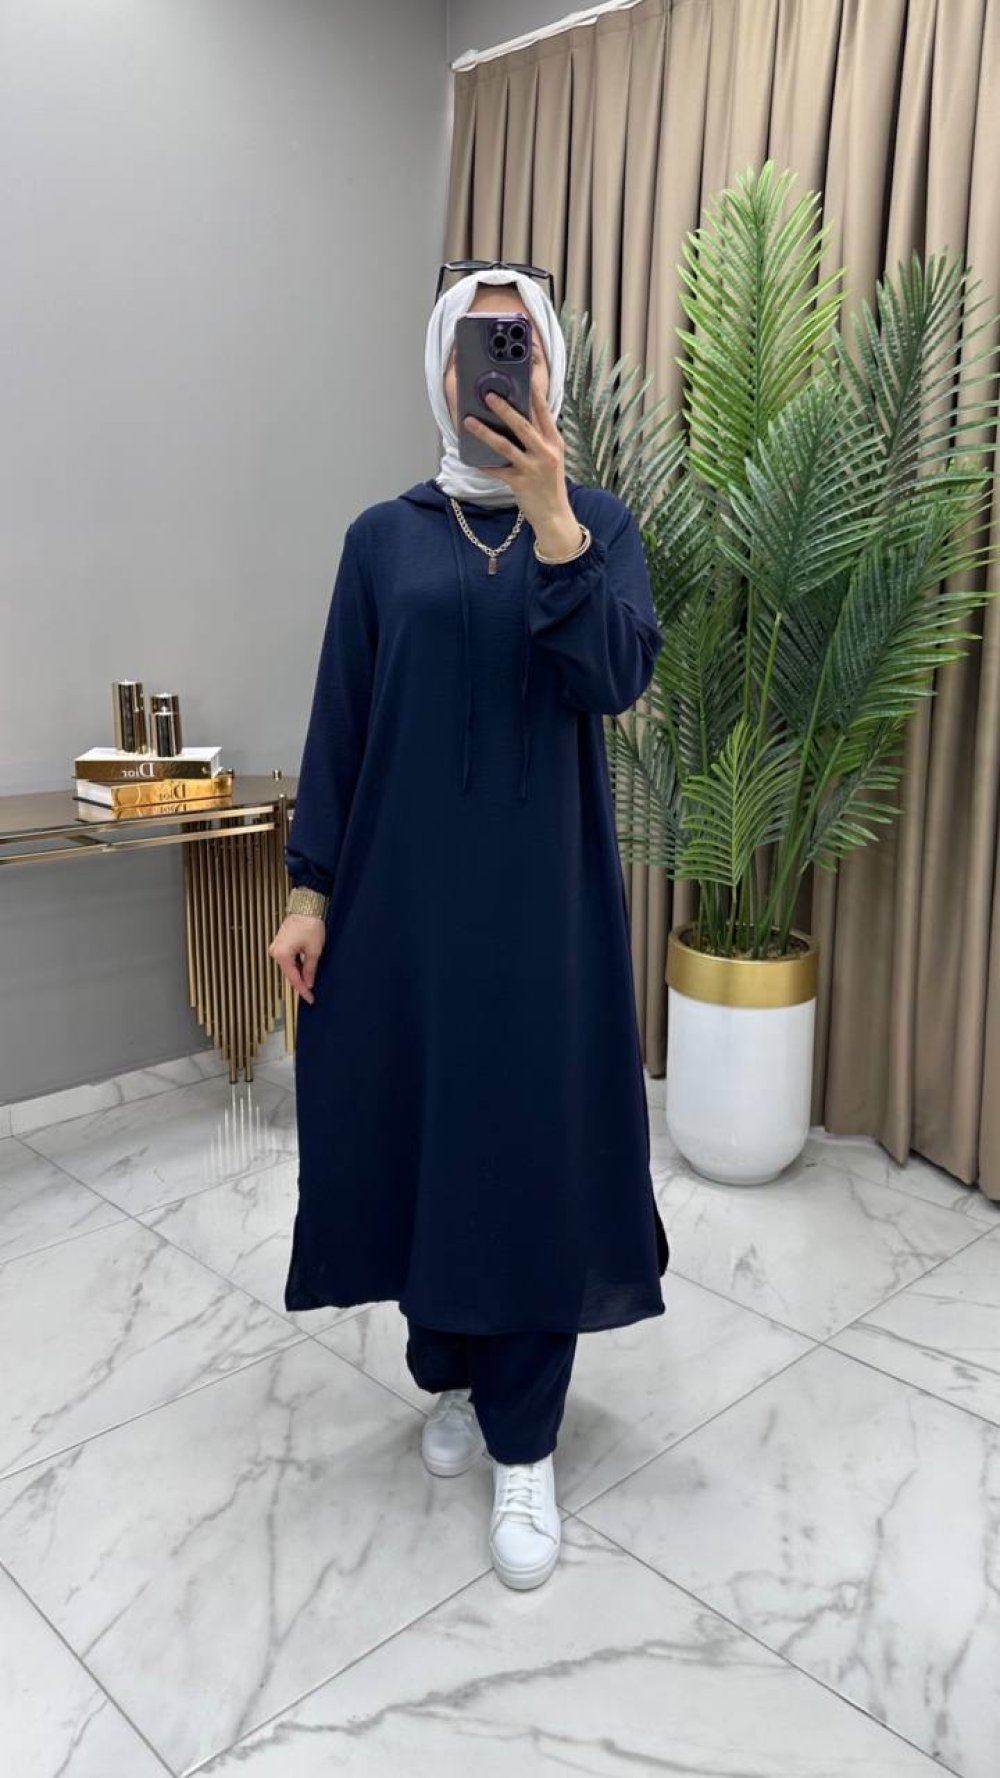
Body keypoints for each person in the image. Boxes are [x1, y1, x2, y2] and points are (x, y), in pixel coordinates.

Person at [268, 262, 670, 1592]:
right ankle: (449, 1366)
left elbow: (613, 673)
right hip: (404, 909)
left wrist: (554, 519)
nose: (502, 370)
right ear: (444, 370)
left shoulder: (597, 524)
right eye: (478, 346)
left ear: (549, 367)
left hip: (543, 911)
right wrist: (309, 893)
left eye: (522, 346)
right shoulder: (381, 540)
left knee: (533, 1148)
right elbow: (341, 722)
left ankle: (527, 1436)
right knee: (421, 1135)